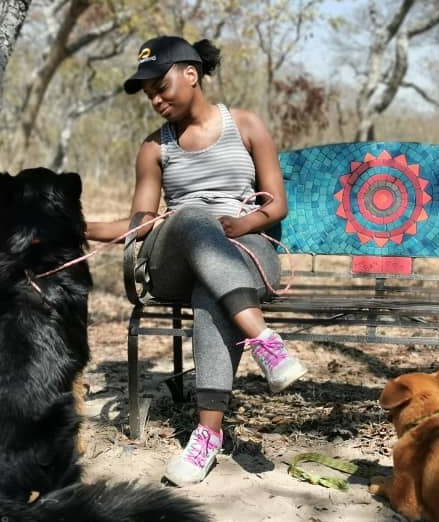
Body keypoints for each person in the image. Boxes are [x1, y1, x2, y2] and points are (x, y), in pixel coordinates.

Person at [85, 35, 307, 485]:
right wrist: (80, 228)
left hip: (245, 248)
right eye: (149, 95)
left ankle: (207, 436)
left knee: (212, 290)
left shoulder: (246, 125)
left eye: (161, 87)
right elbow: (143, 223)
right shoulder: (155, 147)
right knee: (190, 217)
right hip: (174, 258)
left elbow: (277, 204)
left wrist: (240, 226)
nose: (156, 100)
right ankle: (264, 340)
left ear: (191, 74)